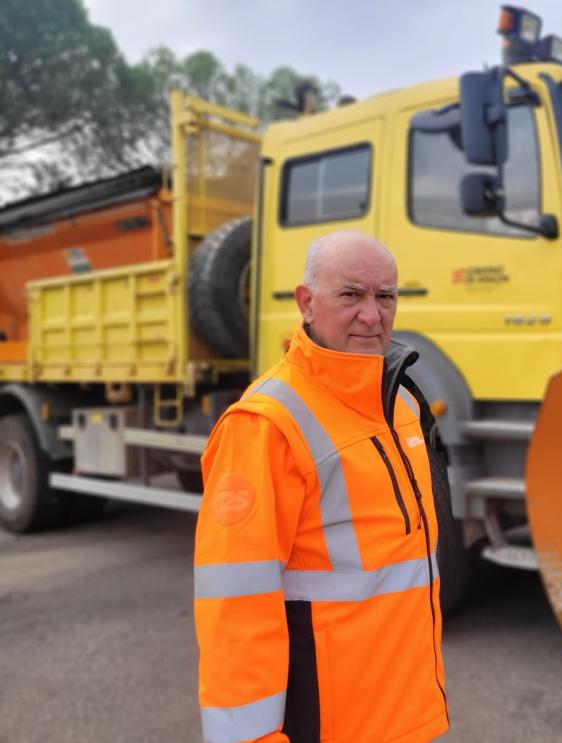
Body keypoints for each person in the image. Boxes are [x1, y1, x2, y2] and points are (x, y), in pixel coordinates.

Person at [193, 230, 449, 743]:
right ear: (307, 303)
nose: (372, 315)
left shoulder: (399, 405)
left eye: (386, 296)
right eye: (351, 295)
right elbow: (235, 607)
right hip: (331, 727)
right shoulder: (265, 425)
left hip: (408, 716)